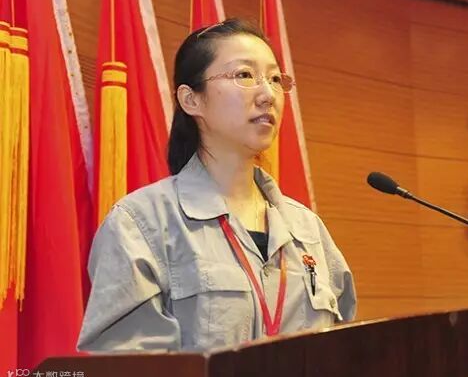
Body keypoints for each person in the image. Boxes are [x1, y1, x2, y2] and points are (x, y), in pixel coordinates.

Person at [77, 18, 356, 351]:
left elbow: (346, 352)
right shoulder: (141, 225)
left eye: (274, 79)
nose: (268, 95)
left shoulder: (308, 229)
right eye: (245, 75)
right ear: (191, 100)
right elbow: (132, 369)